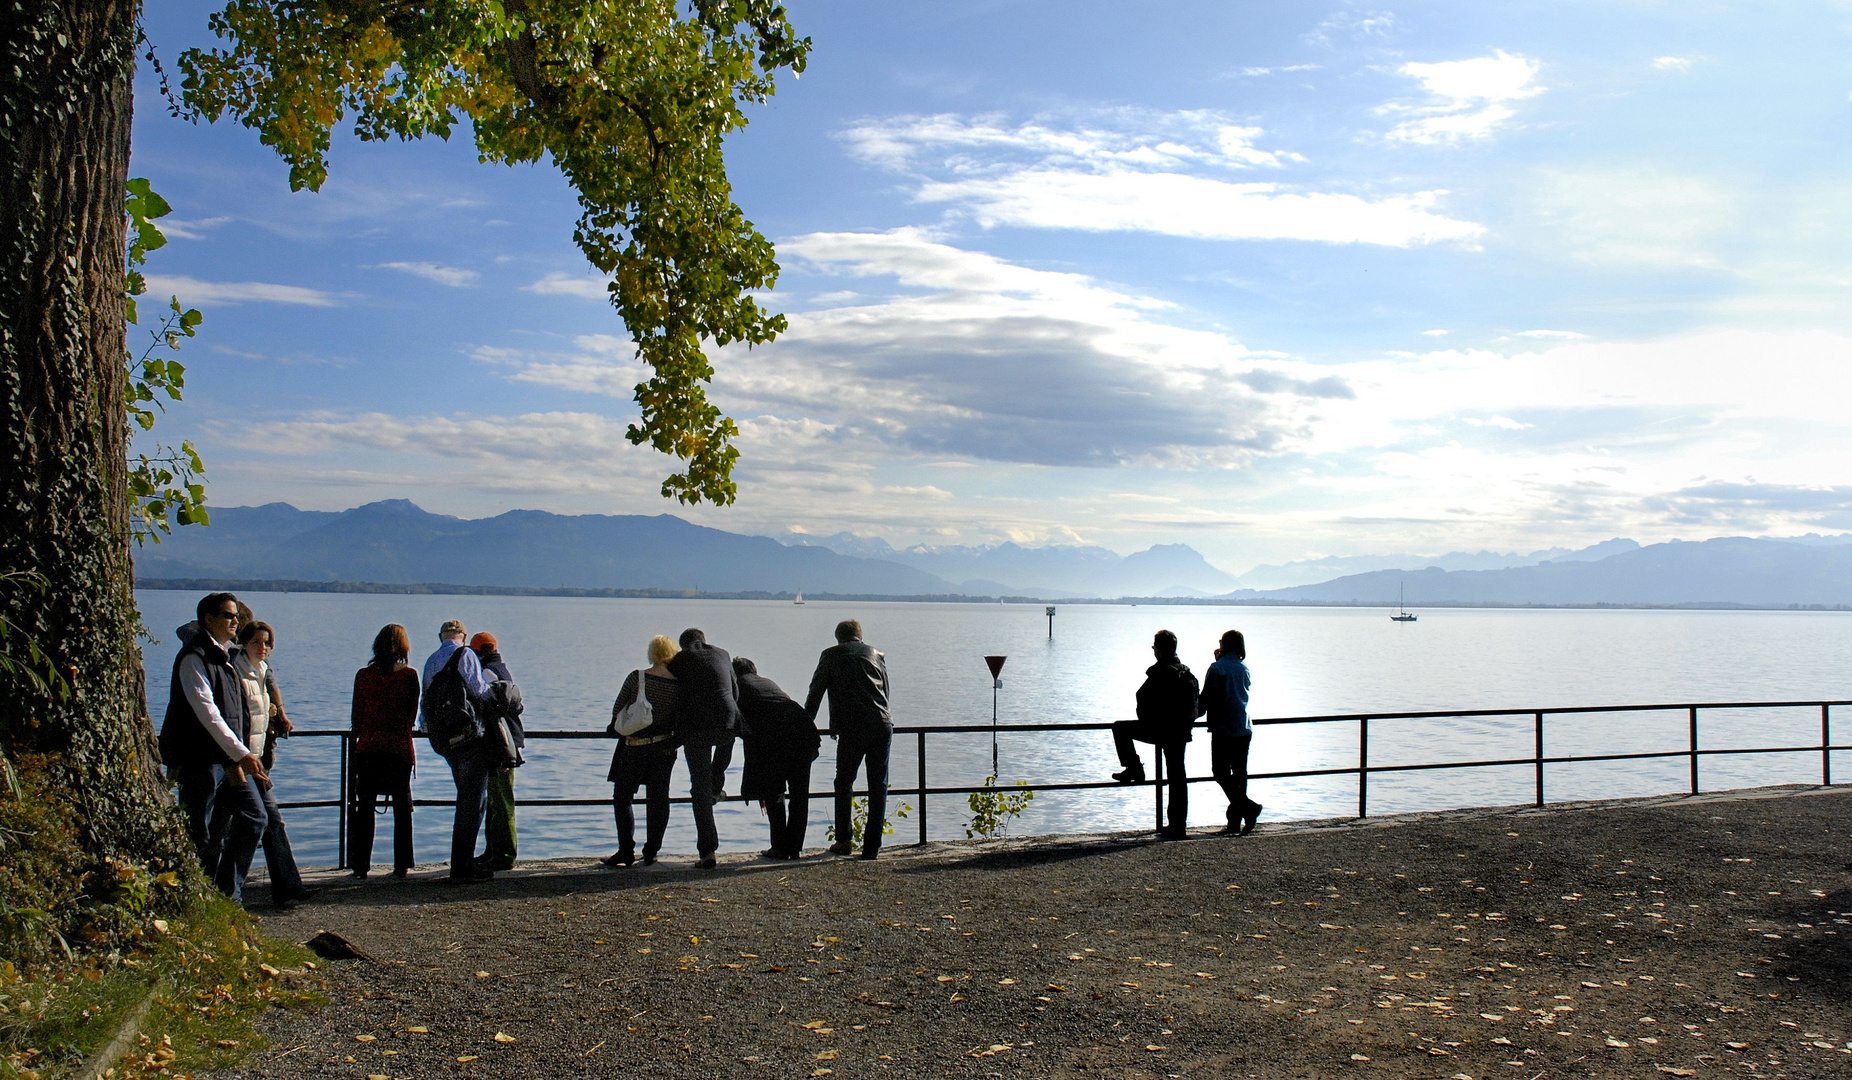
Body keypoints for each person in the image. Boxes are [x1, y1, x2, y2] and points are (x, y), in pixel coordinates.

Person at [159, 592, 267, 903]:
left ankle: (227, 893)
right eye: (228, 616)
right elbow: (207, 712)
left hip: (229, 762)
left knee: (254, 818)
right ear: (209, 619)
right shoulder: (195, 658)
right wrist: (242, 753)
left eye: (236, 616)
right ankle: (197, 897)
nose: (236, 621)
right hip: (200, 761)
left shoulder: (226, 657)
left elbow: (235, 711)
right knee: (201, 833)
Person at [229, 620, 314, 909]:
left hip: (256, 759)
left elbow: (264, 708)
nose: (263, 647)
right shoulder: (234, 669)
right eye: (256, 642)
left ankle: (288, 887)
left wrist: (278, 715)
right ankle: (232, 890)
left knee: (270, 820)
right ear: (244, 642)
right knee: (251, 821)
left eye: (267, 643)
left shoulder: (263, 671)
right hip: (239, 760)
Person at [804, 620, 892, 860]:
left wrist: (803, 724)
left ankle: (844, 840)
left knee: (844, 782)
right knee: (878, 785)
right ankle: (872, 847)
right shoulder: (877, 654)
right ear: (860, 636)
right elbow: (886, 690)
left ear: (838, 637)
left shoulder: (831, 655)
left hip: (853, 726)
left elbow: (816, 692)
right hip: (882, 724)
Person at [421, 619, 498, 881]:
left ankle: (462, 863)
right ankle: (463, 866)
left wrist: (427, 728)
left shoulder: (431, 660)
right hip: (468, 736)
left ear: (440, 636)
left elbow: (426, 699)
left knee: (466, 796)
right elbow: (479, 689)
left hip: (444, 739)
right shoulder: (465, 654)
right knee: (473, 801)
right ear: (463, 636)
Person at [1110, 629, 1202, 840]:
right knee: (1178, 777)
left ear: (1160, 649)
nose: (1154, 651)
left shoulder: (1161, 672)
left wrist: (1148, 721)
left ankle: (1134, 768)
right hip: (1181, 732)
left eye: (1154, 647)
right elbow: (1198, 705)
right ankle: (1178, 826)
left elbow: (1142, 698)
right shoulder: (1186, 672)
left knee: (1120, 728)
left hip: (1161, 730)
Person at [604, 635, 681, 867]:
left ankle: (626, 850)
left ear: (652, 653)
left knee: (622, 797)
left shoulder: (637, 678)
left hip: (635, 747)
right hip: (665, 747)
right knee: (659, 800)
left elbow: (618, 708)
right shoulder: (679, 684)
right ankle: (651, 851)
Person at [349, 623, 420, 878]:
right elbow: (411, 716)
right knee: (402, 808)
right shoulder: (410, 676)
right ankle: (402, 864)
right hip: (399, 748)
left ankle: (360, 866)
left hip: (368, 748)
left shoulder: (364, 676)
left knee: (364, 808)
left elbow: (357, 716)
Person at [666, 628, 740, 869]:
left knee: (699, 786)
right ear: (704, 641)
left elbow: (673, 695)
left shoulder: (680, 659)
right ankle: (716, 786)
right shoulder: (723, 654)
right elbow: (735, 690)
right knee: (724, 749)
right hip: (728, 720)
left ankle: (707, 851)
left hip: (695, 727)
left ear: (683, 644)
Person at [735, 656, 821, 860]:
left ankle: (779, 846)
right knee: (800, 795)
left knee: (774, 793)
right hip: (804, 733)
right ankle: (794, 848)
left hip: (776, 741)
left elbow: (745, 732)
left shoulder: (737, 687)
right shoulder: (767, 682)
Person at [1202, 629, 1262, 836]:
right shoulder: (1244, 667)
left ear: (1224, 644)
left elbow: (1207, 697)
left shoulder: (1217, 668)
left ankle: (1248, 808)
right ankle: (1236, 820)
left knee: (1219, 772)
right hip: (1244, 727)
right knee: (1239, 775)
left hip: (1224, 727)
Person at [471, 631, 522, 871]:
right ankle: (492, 850)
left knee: (501, 800)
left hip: (500, 745)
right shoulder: (501, 669)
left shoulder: (486, 673)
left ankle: (504, 855)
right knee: (495, 799)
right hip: (509, 742)